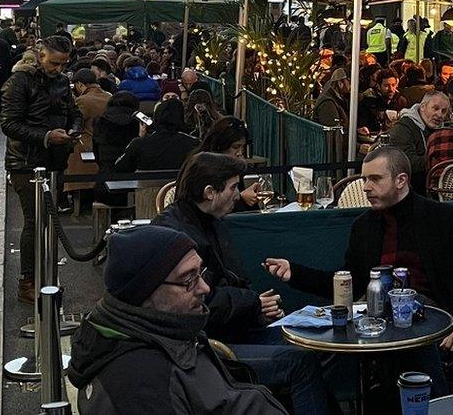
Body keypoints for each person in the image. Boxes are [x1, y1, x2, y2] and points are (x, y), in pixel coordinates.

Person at [264, 147, 453, 406]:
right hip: (378, 324)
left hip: (434, 322)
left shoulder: (444, 219)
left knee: (409, 335)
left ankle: (438, 405)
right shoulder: (364, 227)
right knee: (319, 359)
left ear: (401, 181)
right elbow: (349, 285)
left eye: (375, 179)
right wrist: (295, 273)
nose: (365, 187)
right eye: (364, 179)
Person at [153, 153, 332, 413]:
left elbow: (232, 283)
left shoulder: (209, 223)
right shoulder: (180, 236)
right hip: (206, 347)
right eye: (234, 187)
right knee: (300, 362)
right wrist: (254, 303)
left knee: (312, 345)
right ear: (210, 192)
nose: (239, 195)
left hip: (232, 330)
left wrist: (258, 309)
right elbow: (199, 303)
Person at [66, 225, 287, 415]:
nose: (205, 287)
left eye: (200, 273)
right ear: (145, 292)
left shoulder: (166, 331)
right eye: (188, 279)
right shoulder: (141, 384)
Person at [1, 36, 82, 303]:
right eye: (54, 63)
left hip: (55, 160)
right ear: (40, 56)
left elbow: (73, 111)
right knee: (34, 221)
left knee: (48, 221)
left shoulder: (60, 81)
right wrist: (46, 136)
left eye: (63, 64)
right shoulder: (19, 81)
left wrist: (74, 129)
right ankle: (28, 280)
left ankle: (46, 277)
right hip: (25, 163)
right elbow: (9, 124)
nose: (58, 68)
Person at [387, 90, 450, 194]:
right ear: (423, 107)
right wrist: (439, 159)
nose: (439, 115)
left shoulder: (444, 130)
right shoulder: (403, 128)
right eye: (435, 108)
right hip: (409, 191)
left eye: (443, 111)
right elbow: (408, 164)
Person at [115, 99, 200, 172]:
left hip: (146, 189)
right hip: (177, 188)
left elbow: (120, 167)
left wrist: (141, 138)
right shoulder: (193, 143)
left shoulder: (139, 143)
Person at [196, 117, 260, 212]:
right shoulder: (202, 168)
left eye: (242, 147)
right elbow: (207, 208)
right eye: (235, 147)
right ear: (221, 146)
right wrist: (241, 198)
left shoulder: (234, 167)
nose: (240, 152)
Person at [65, 69, 112, 195]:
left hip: (87, 145)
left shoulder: (82, 101)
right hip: (107, 143)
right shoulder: (109, 97)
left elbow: (76, 123)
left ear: (79, 84)